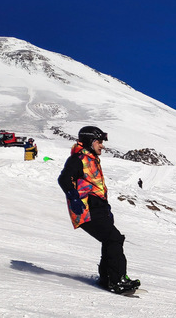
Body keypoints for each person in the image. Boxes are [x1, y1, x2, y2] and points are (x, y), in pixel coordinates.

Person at [57, 126, 139, 294]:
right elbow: (64, 178)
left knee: (110, 240)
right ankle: (117, 280)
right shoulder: (78, 159)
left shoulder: (92, 159)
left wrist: (106, 207)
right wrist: (73, 198)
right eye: (99, 142)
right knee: (114, 238)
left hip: (99, 207)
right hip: (86, 208)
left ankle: (107, 278)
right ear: (90, 141)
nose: (102, 146)